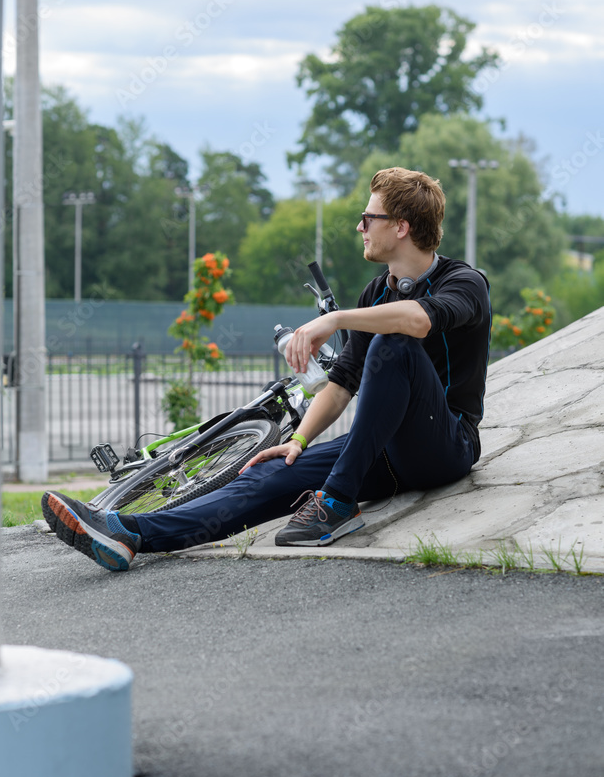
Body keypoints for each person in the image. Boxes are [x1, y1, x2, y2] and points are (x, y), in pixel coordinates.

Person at [42, 167, 491, 572]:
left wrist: (334, 319)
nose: (360, 227)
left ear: (401, 226)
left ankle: (336, 504)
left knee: (394, 344)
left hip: (446, 446)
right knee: (265, 471)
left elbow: (418, 321)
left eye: (367, 218)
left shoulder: (465, 283)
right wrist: (297, 441)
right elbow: (341, 385)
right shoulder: (376, 292)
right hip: (385, 452)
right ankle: (131, 534)